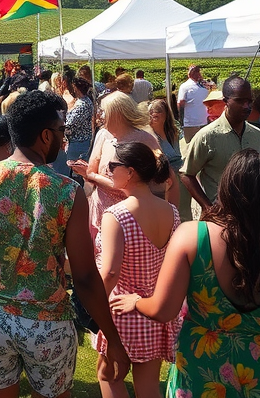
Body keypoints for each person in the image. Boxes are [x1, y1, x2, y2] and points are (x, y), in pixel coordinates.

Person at [112, 149, 260, 398]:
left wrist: (137, 301)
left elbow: (163, 310)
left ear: (226, 189)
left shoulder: (192, 237)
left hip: (201, 375)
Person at [0, 90, 130, 398]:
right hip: (47, 324)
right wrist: (112, 337)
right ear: (45, 136)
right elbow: (85, 277)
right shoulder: (67, 191)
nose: (63, 138)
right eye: (61, 131)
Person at [95, 143, 179, 398]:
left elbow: (110, 272)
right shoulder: (171, 211)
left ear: (130, 172)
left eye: (113, 166)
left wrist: (93, 307)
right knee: (148, 388)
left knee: (108, 376)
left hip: (122, 311)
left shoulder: (116, 215)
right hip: (153, 310)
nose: (108, 170)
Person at [69, 91, 163, 242]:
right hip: (101, 209)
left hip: (133, 212)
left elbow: (161, 177)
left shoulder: (144, 139)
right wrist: (92, 175)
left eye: (103, 111)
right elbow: (91, 171)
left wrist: (94, 177)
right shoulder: (102, 134)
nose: (100, 116)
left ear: (116, 114)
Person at [179, 76, 260, 217]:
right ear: (226, 101)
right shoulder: (207, 136)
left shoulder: (257, 135)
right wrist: (207, 207)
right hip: (222, 218)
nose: (246, 106)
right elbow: (186, 174)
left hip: (253, 216)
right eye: (240, 101)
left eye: (249, 101)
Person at [55, 66, 94, 179]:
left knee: (74, 170)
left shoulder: (82, 105)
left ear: (76, 88)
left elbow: (70, 123)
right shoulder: (84, 101)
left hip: (79, 142)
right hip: (79, 141)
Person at [176, 64, 209, 150]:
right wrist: (181, 120)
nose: (198, 74)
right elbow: (181, 104)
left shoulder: (203, 86)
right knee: (193, 147)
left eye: (198, 71)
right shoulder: (185, 86)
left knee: (201, 148)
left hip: (202, 122)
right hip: (191, 123)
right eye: (195, 72)